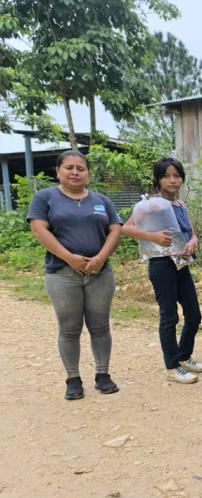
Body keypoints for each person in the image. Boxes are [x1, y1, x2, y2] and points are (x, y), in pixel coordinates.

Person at [27, 151, 122, 400]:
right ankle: (73, 378)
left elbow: (115, 229)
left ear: (88, 173)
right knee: (69, 328)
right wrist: (69, 257)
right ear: (58, 171)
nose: (75, 172)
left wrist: (100, 258)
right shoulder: (45, 197)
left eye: (81, 168)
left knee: (100, 326)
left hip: (100, 273)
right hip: (62, 273)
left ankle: (103, 374)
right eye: (69, 167)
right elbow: (39, 230)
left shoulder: (101, 200)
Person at [122, 157, 202, 384]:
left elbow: (191, 233)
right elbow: (126, 228)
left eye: (177, 175)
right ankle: (172, 366)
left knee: (194, 313)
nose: (172, 180)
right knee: (169, 315)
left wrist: (193, 242)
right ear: (158, 179)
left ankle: (184, 356)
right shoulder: (151, 205)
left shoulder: (181, 205)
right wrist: (152, 237)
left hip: (182, 264)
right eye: (166, 176)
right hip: (161, 265)